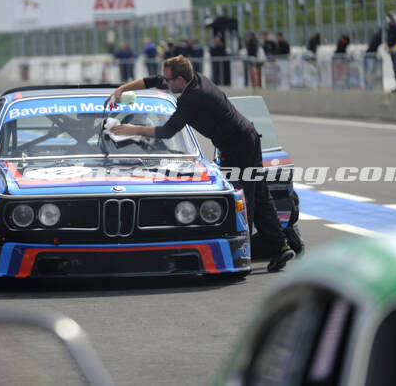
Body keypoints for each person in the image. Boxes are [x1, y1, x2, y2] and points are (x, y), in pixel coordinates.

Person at [104, 55, 297, 272]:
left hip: (239, 146)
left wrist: (132, 130)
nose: (165, 83)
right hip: (241, 140)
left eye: (169, 80)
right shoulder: (191, 79)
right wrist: (123, 88)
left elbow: (167, 131)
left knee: (244, 198)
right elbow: (153, 80)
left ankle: (242, 255)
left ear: (180, 80)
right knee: (260, 195)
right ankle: (281, 247)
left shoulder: (192, 98)